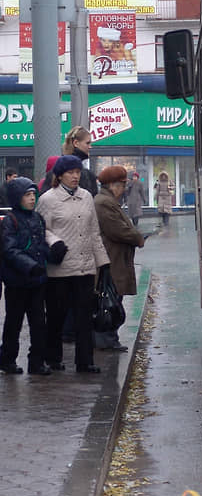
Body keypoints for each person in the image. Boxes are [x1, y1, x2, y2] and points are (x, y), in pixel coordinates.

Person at [36, 155, 110, 373]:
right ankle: (53, 358)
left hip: (85, 267)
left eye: (77, 172)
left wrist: (103, 262)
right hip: (60, 269)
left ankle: (85, 361)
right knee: (57, 317)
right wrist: (55, 242)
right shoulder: (48, 199)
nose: (75, 176)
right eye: (70, 172)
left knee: (84, 318)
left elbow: (94, 232)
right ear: (59, 176)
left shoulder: (87, 196)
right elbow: (41, 229)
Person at [0, 177, 56, 375]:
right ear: (17, 198)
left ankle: (37, 361)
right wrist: (30, 266)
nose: (32, 198)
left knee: (39, 322)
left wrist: (52, 255)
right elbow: (9, 250)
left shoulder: (37, 218)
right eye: (27, 195)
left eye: (33, 194)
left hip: (37, 281)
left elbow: (40, 245)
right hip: (17, 282)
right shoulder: (10, 222)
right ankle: (7, 359)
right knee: (14, 323)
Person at [93, 166, 145, 351]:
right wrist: (137, 237)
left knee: (113, 300)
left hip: (115, 258)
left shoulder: (107, 201)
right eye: (122, 185)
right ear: (113, 185)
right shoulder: (104, 202)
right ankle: (105, 340)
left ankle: (110, 339)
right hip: (111, 260)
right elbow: (117, 229)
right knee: (109, 302)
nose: (124, 189)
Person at [61, 126, 98, 196]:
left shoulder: (59, 167)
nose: (90, 147)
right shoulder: (84, 173)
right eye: (87, 143)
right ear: (76, 143)